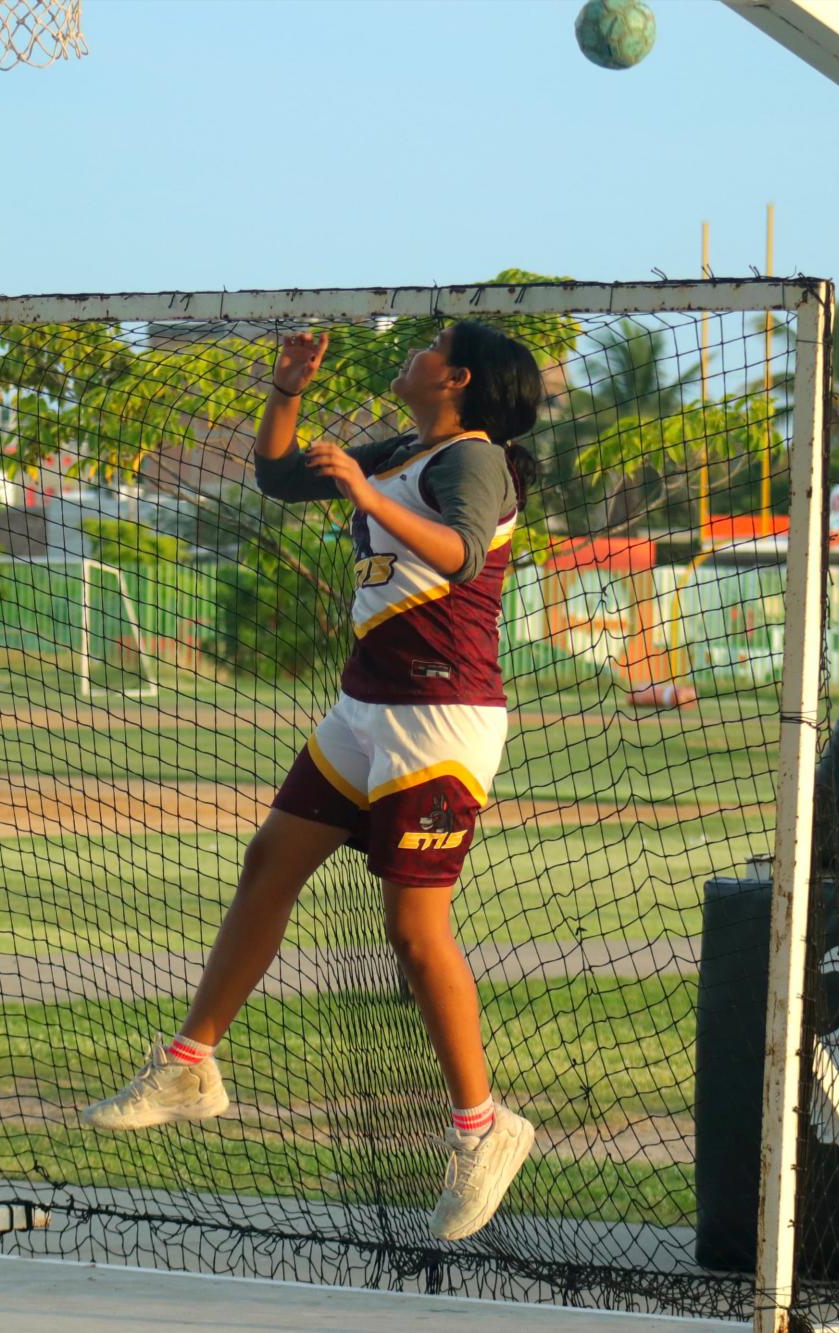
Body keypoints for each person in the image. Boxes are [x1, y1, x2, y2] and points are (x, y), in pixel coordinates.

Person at [83, 321, 543, 1243]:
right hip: (366, 705)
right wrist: (287, 390)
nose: (407, 358)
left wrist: (366, 486)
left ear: (456, 378)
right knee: (269, 862)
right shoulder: (415, 447)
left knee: (415, 933)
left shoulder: (473, 461)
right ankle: (191, 1062)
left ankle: (486, 1127)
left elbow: (459, 556)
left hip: (440, 717)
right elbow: (281, 474)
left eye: (429, 349)